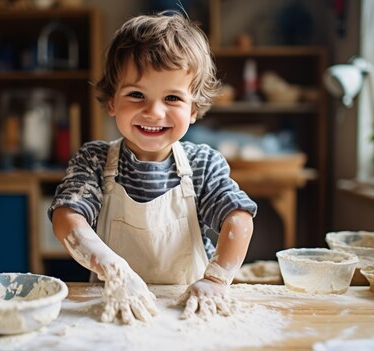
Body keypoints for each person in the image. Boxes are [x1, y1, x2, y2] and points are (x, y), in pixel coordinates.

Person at [49, 11, 257, 324]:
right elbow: (67, 219)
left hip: (186, 311)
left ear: (194, 109)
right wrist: (114, 270)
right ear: (111, 102)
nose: (153, 111)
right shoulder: (93, 160)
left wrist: (215, 280)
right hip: (115, 309)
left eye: (172, 97)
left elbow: (239, 220)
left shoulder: (203, 165)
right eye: (136, 94)